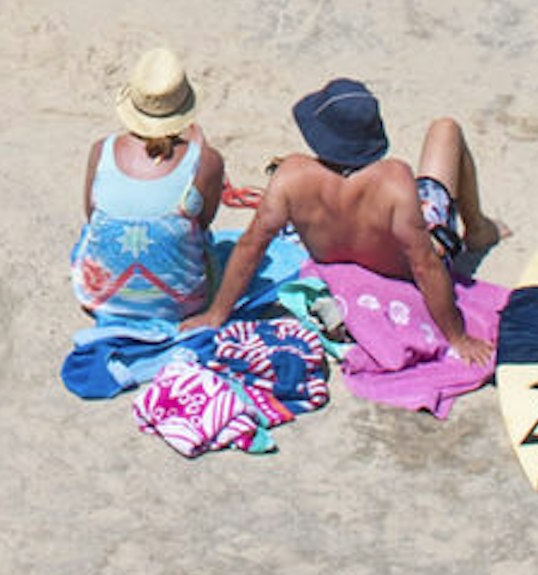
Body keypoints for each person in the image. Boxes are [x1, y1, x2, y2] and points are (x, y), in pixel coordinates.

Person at [190, 81, 493, 364]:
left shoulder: (293, 175)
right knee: (445, 129)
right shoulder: (395, 180)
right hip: (391, 263)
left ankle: (479, 229)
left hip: (325, 251)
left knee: (286, 212)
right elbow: (425, 264)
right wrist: (457, 337)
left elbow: (250, 246)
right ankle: (478, 230)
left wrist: (217, 314)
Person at [71, 48, 225, 325]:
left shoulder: (101, 151)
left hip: (101, 298)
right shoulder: (206, 161)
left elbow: (91, 216)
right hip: (181, 305)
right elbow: (203, 224)